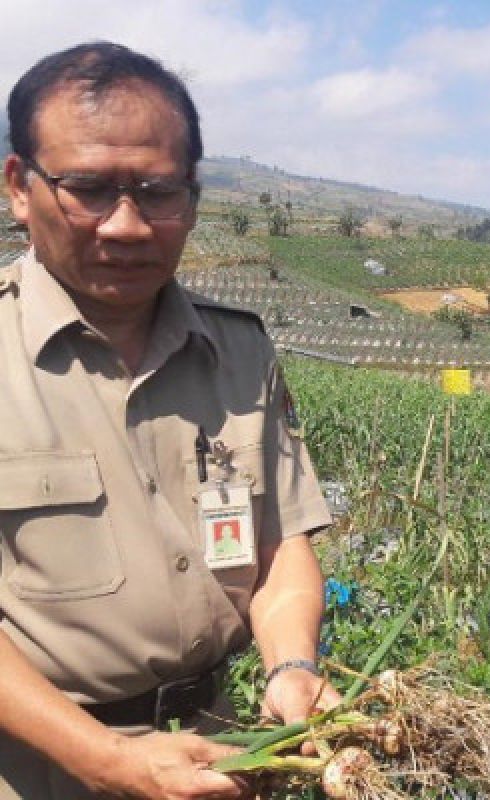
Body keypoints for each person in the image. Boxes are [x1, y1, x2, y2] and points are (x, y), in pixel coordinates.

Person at [0, 42, 336, 799]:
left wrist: (291, 669)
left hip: (222, 758)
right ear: (20, 187)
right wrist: (107, 760)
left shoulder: (238, 351)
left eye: (156, 191)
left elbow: (281, 544)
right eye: (86, 188)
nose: (125, 226)